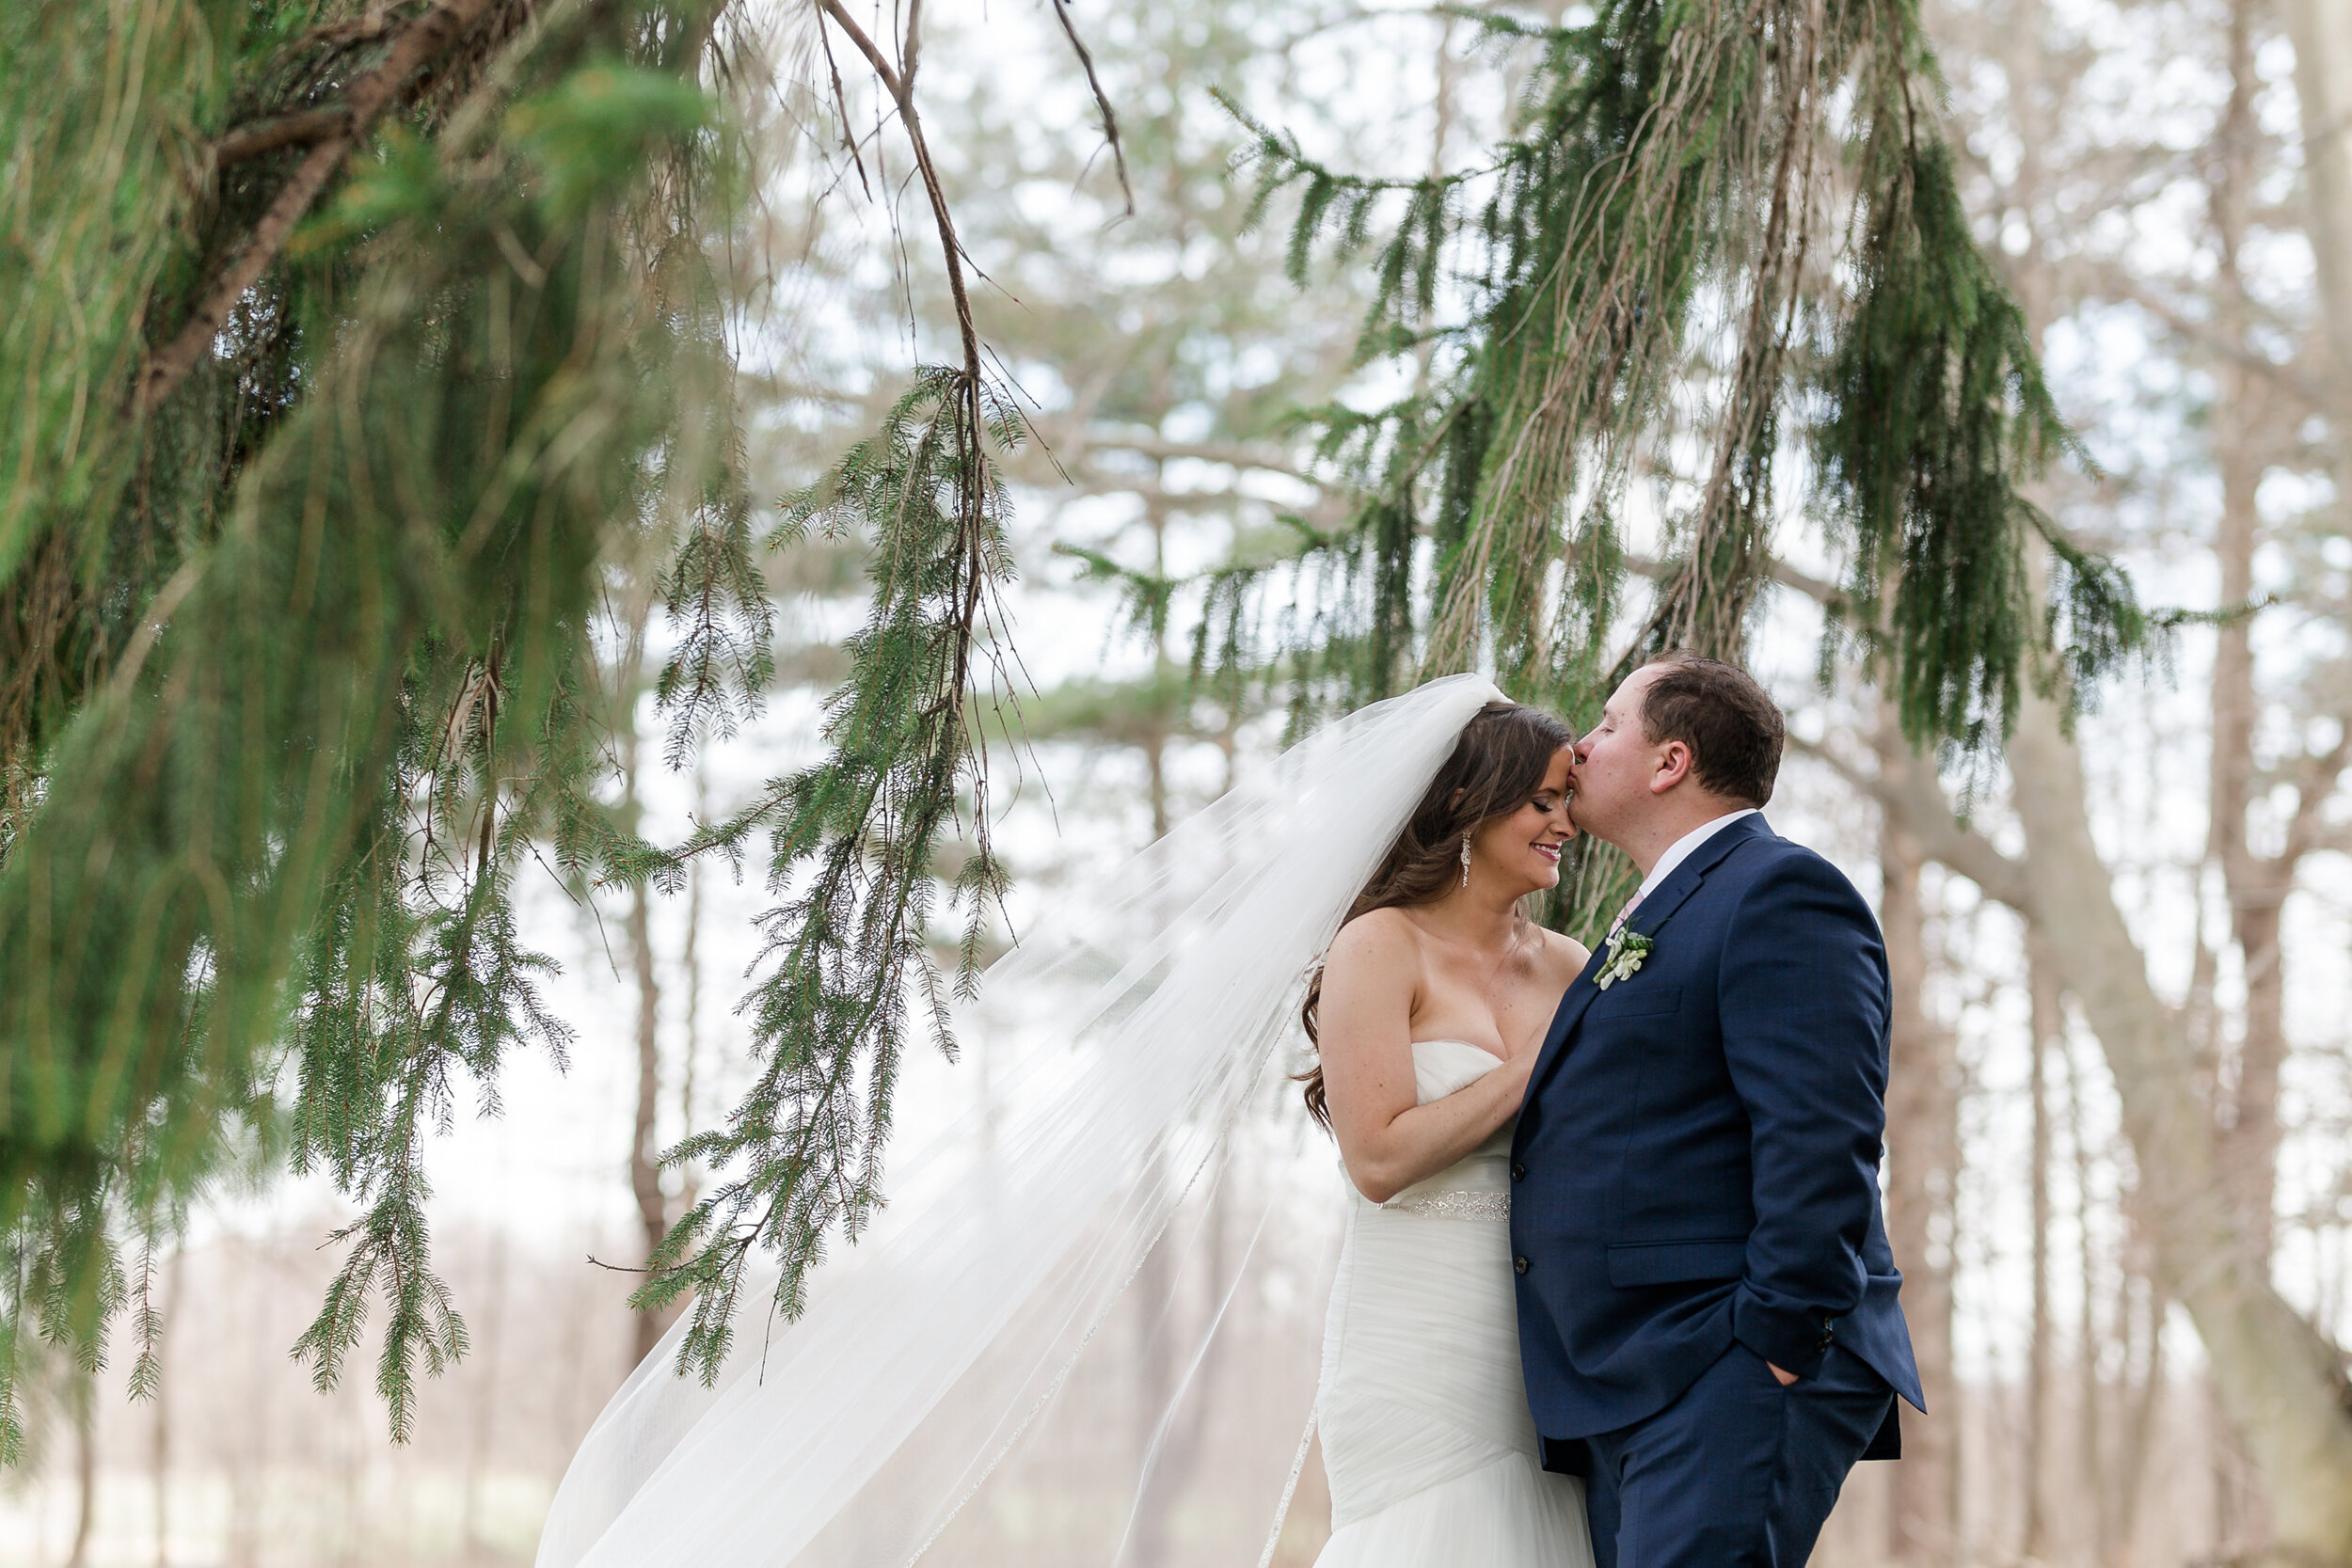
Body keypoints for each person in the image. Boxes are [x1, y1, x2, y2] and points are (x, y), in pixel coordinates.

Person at [1510, 653, 1925, 1567]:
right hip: (1636, 1374)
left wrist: (1775, 1340)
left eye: (1608, 724)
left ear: (1670, 761)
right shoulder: (1658, 910)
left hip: (1727, 1362)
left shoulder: (1777, 890)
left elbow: (1822, 1129)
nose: (1580, 744)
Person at [1303, 700, 1597, 1566]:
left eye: (1569, 802)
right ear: (1470, 798)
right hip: (1414, 1328)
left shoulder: (1573, 965)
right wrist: (1531, 1065)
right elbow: (1379, 1157)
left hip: (1545, 1332)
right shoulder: (1380, 945)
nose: (1565, 825)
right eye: (1542, 802)